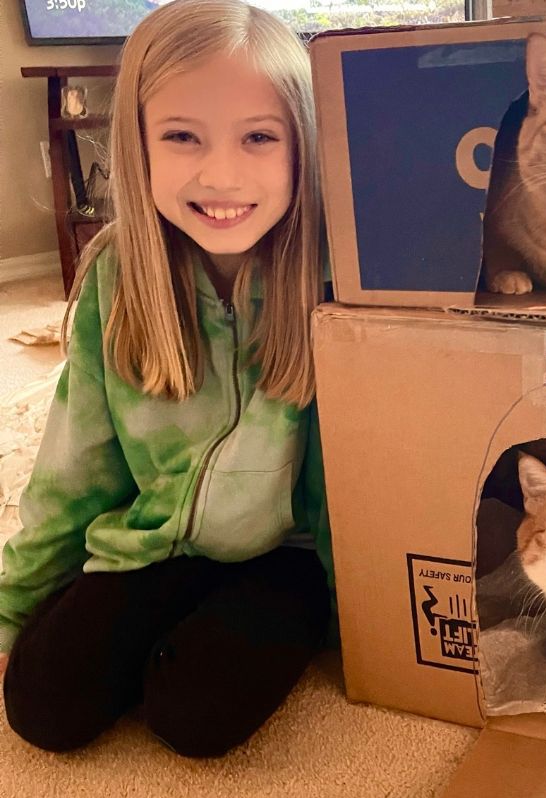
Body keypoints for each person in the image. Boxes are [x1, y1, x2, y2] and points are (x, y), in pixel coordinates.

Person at [0, 0, 333, 758]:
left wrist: (366, 626)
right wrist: (15, 608)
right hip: (157, 546)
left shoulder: (328, 273)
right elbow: (73, 463)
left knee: (196, 715)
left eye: (258, 137)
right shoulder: (117, 277)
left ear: (300, 147)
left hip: (287, 556)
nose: (222, 174)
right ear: (140, 146)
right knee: (42, 708)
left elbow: (342, 479)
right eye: (182, 137)